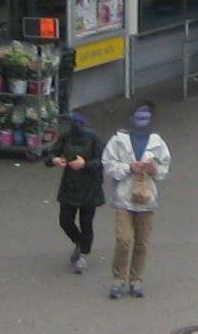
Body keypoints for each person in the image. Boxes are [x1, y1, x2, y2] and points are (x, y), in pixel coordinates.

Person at [101, 101, 170, 300]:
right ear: (131, 119)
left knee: (141, 242)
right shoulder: (118, 141)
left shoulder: (157, 142)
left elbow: (163, 168)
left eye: (146, 118)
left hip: (147, 198)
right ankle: (118, 279)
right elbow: (108, 164)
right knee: (124, 240)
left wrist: (153, 169)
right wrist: (129, 168)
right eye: (139, 117)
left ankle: (136, 279)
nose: (143, 121)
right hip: (124, 197)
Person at [47, 111, 105, 273]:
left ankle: (81, 254)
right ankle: (80, 243)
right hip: (70, 185)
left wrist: (84, 164)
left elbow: (102, 161)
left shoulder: (94, 138)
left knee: (86, 222)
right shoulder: (66, 137)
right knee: (65, 220)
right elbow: (51, 154)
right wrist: (54, 160)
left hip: (90, 186)